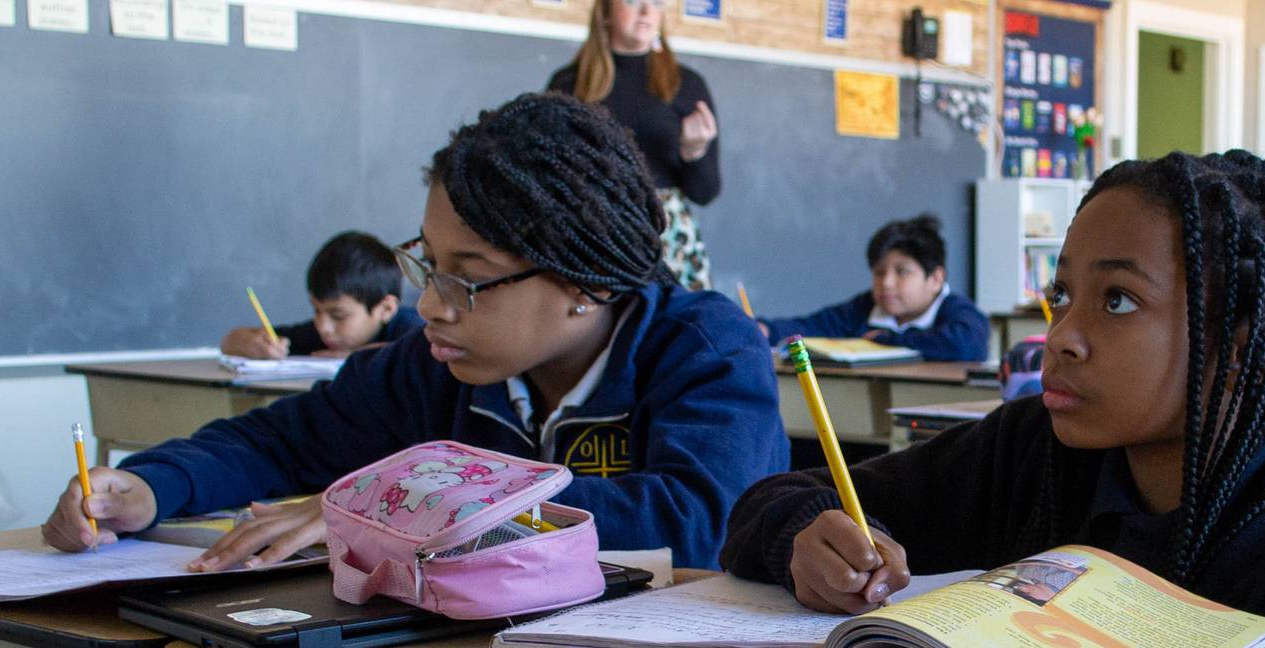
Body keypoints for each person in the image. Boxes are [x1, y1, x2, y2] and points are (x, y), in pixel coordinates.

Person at [41, 93, 786, 569]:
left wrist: (397, 505)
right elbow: (279, 441)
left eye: (468, 276)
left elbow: (706, 522)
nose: (431, 304)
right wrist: (149, 484)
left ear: (585, 283)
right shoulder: (436, 366)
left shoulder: (704, 349)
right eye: (427, 266)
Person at [719, 151, 1265, 648]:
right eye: (1062, 296)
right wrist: (804, 540)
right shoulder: (1034, 448)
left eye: (1119, 300)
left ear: (1243, 343)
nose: (1063, 337)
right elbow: (770, 499)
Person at [548, 0, 720, 290]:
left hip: (666, 240)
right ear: (605, 11)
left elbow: (705, 193)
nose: (646, 11)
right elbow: (548, 174)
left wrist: (694, 151)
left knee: (669, 331)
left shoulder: (687, 84)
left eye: (657, 2)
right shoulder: (569, 83)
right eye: (632, 1)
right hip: (589, 232)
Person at [756, 214, 989, 361]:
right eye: (879, 272)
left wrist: (887, 340)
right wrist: (767, 330)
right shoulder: (866, 307)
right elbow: (814, 326)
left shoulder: (959, 312)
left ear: (936, 279)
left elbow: (965, 345)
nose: (886, 282)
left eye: (901, 272)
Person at [220, 231, 424, 359]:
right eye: (316, 310)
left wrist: (353, 356)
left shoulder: (412, 327)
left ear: (386, 309)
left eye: (338, 315)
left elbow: (422, 353)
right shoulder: (325, 336)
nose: (323, 327)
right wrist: (250, 344)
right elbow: (230, 340)